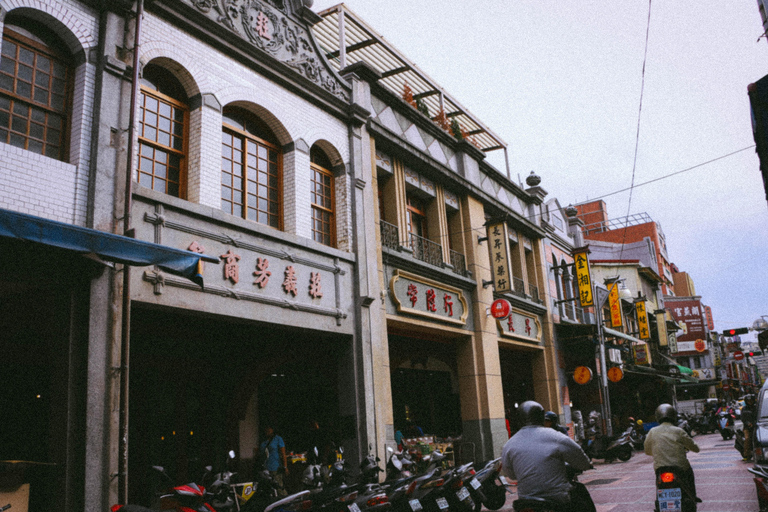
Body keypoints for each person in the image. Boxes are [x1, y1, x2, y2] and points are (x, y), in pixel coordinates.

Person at [501, 401, 594, 511]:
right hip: (557, 498)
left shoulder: (509, 444)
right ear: (541, 416)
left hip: (526, 500)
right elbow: (581, 461)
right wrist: (588, 464)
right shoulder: (556, 437)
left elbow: (511, 475)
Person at [644, 404, 701, 504]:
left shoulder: (652, 431)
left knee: (659, 484)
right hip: (681, 468)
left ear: (657, 417)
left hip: (660, 469)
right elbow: (695, 448)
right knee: (690, 474)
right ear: (673, 416)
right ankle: (693, 496)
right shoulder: (678, 431)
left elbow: (647, 450)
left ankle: (659, 502)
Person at [260, 424, 289, 496]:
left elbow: (283, 454)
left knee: (279, 487)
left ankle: (286, 502)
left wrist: (285, 467)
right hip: (265, 468)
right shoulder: (264, 441)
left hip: (275, 467)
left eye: (269, 429)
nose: (267, 430)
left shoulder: (278, 439)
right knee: (268, 489)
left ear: (273, 430)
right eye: (266, 429)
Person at [741, 394, 757, 462]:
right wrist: (748, 423)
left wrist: (754, 423)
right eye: (748, 401)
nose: (750, 402)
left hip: (756, 426)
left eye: (751, 400)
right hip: (747, 427)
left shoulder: (757, 407)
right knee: (747, 439)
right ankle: (746, 455)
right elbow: (743, 418)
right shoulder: (744, 409)